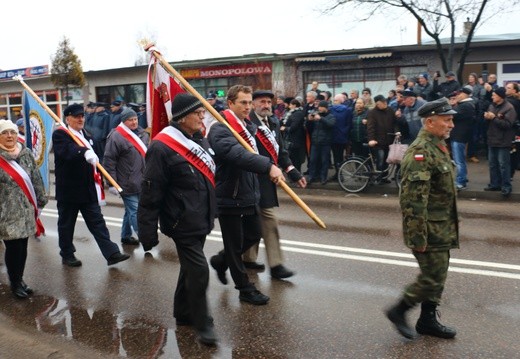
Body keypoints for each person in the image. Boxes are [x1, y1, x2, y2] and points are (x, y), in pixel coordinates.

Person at [138, 93, 218, 345]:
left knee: (188, 269)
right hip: (180, 221)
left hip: (201, 218)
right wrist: (147, 233)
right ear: (183, 117)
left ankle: (183, 312)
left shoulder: (198, 140)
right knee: (199, 270)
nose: (203, 116)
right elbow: (151, 193)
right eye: (198, 113)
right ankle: (201, 321)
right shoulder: (161, 147)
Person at [385, 97, 458, 340]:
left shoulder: (438, 145)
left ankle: (427, 320)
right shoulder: (420, 152)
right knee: (431, 277)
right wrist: (418, 236)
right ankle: (399, 310)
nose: (451, 125)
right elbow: (413, 200)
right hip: (428, 228)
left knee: (440, 274)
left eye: (451, 120)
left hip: (442, 226)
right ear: (429, 122)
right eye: (446, 120)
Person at [207, 85, 285, 305]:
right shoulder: (220, 128)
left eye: (250, 103)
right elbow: (236, 154)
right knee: (234, 244)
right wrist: (268, 166)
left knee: (254, 234)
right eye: (243, 102)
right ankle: (244, 288)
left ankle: (220, 261)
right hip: (229, 194)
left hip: (248, 193)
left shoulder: (247, 126)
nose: (248, 107)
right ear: (230, 103)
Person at [52, 103, 130, 267]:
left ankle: (112, 253)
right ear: (68, 119)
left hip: (88, 190)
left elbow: (97, 162)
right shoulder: (61, 135)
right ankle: (67, 253)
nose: (81, 119)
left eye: (82, 116)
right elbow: (66, 152)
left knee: (98, 223)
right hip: (70, 191)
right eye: (76, 116)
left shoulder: (87, 136)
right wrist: (82, 152)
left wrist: (109, 183)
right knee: (66, 225)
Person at [242, 90, 306, 279]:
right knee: (268, 220)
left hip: (268, 178)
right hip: (251, 178)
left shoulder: (274, 122)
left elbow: (279, 150)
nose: (266, 105)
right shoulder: (246, 123)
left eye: (269, 102)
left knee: (254, 220)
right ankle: (276, 264)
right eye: (262, 102)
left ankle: (247, 259)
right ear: (253, 104)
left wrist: (292, 171)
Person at [0, 120, 48, 298]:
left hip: (26, 211)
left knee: (23, 247)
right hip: (6, 213)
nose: (10, 136)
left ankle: (19, 279)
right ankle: (15, 284)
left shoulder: (25, 153)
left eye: (12, 132)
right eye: (5, 133)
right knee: (13, 249)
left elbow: (35, 177)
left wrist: (41, 200)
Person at [103, 108, 150, 246]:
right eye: (130, 120)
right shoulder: (116, 136)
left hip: (141, 180)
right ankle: (145, 238)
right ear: (124, 121)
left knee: (129, 211)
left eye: (135, 119)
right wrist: (111, 183)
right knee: (136, 211)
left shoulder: (143, 134)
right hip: (125, 182)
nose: (134, 122)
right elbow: (109, 160)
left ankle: (125, 236)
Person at [483, 87, 516, 196]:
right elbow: (488, 123)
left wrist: (493, 118)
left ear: (500, 96)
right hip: (492, 139)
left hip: (503, 141)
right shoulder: (492, 105)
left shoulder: (509, 108)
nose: (492, 96)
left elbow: (507, 125)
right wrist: (486, 118)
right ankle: (494, 184)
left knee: (503, 165)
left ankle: (506, 186)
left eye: (494, 95)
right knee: (492, 164)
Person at [451, 86, 476, 190]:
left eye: (458, 94)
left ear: (464, 94)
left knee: (459, 161)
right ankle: (462, 179)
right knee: (460, 160)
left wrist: (451, 105)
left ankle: (461, 181)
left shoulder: (466, 105)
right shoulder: (464, 105)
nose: (457, 96)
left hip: (460, 136)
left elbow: (453, 115)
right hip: (458, 136)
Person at [305, 100, 336, 184]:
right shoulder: (316, 116)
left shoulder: (331, 116)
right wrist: (309, 120)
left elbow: (331, 124)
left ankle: (323, 178)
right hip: (315, 142)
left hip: (325, 143)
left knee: (324, 161)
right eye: (319, 107)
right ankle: (311, 177)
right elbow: (309, 128)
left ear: (326, 108)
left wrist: (321, 119)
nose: (320, 109)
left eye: (322, 107)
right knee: (312, 160)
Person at [367, 95, 397, 172]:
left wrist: (397, 132)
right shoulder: (372, 113)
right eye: (380, 104)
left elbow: (395, 123)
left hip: (389, 140)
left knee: (386, 160)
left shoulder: (390, 110)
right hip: (378, 141)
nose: (384, 104)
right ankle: (378, 177)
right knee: (380, 160)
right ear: (377, 104)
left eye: (385, 103)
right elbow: (370, 127)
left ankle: (384, 177)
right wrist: (371, 139)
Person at [330, 94, 353, 178]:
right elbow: (349, 124)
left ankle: (338, 174)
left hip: (333, 136)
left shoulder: (331, 109)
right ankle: (340, 174)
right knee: (341, 156)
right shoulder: (348, 110)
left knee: (336, 156)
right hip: (343, 136)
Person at [285, 99, 306, 172]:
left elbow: (293, 126)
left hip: (296, 140)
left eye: (290, 105)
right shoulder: (292, 113)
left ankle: (297, 175)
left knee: (296, 159)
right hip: (293, 139)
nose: (289, 106)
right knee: (293, 158)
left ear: (294, 105)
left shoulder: (297, 114)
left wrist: (285, 128)